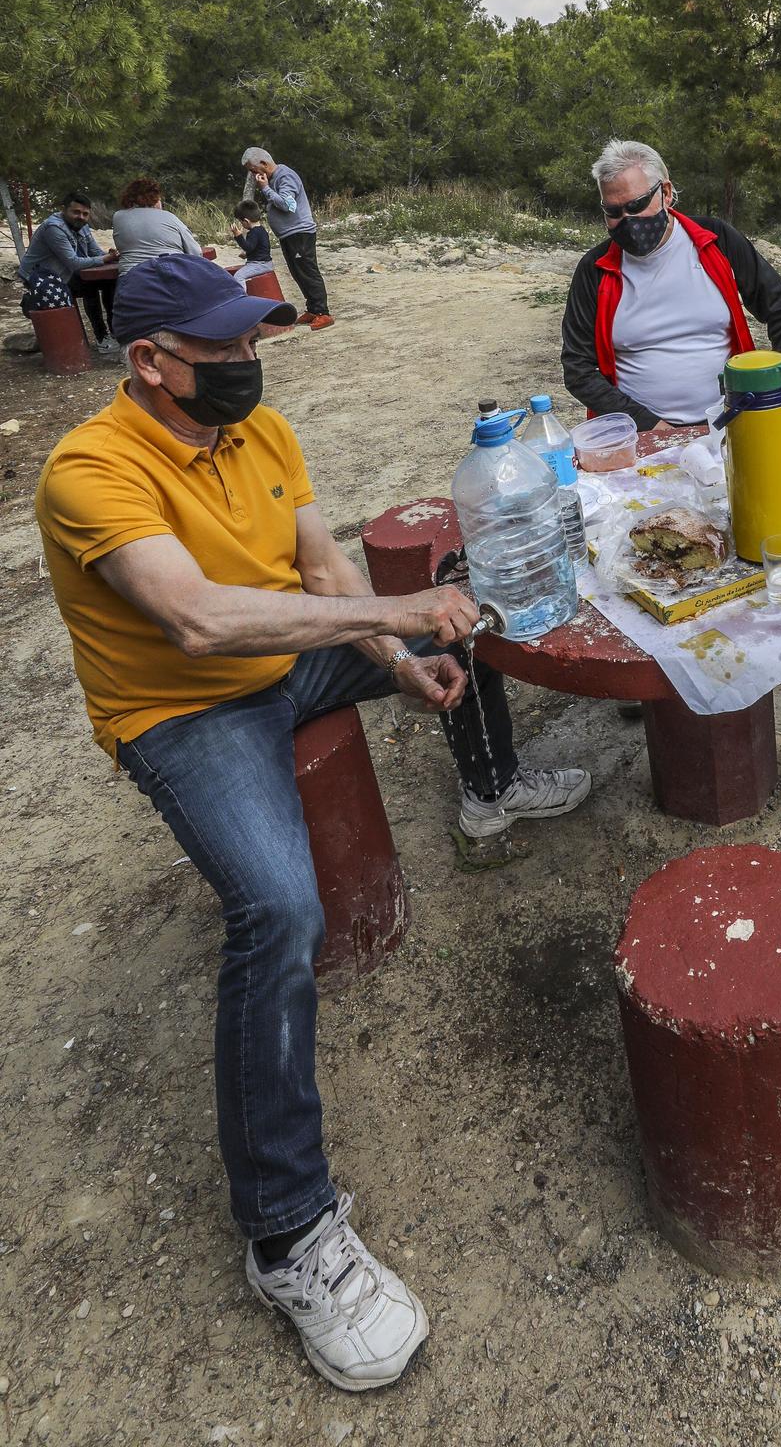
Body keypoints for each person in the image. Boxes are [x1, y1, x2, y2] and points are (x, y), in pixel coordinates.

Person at [35, 254, 589, 1390]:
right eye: (225, 350)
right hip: (186, 709)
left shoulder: (263, 431)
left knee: (454, 629)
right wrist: (388, 610)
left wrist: (395, 653)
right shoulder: (88, 469)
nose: (249, 363)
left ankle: (487, 788)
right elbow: (194, 618)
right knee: (277, 908)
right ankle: (287, 1231)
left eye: (252, 342)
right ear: (149, 362)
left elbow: (318, 561)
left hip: (290, 662)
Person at [561, 139, 781, 430]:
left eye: (636, 205)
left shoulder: (716, 239)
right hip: (643, 433)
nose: (627, 220)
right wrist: (648, 424)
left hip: (734, 421)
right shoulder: (595, 269)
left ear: (665, 192)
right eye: (613, 212)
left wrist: (776, 390)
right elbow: (578, 368)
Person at [240, 147, 333, 329]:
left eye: (253, 170)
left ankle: (323, 312)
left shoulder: (285, 176)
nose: (252, 175)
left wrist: (265, 189)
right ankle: (312, 309)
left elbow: (288, 205)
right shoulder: (274, 178)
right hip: (289, 235)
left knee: (308, 273)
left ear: (264, 164)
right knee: (298, 273)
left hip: (300, 233)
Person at [18, 189, 119, 355]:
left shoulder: (82, 226)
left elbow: (96, 253)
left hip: (63, 273)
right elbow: (74, 263)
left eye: (85, 214)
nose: (81, 217)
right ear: (63, 209)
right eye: (76, 212)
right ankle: (102, 338)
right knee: (89, 287)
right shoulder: (54, 228)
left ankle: (115, 331)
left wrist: (112, 256)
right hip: (41, 278)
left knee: (111, 281)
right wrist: (105, 259)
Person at [112, 175, 203, 270]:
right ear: (155, 199)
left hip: (131, 276)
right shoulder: (169, 217)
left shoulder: (118, 217)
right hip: (171, 273)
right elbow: (195, 252)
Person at [228, 198, 275, 284]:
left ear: (246, 221)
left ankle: (242, 297)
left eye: (241, 222)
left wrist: (238, 236)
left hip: (260, 264)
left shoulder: (253, 232)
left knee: (238, 276)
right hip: (265, 263)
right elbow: (260, 248)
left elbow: (248, 247)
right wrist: (246, 255)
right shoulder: (261, 230)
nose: (241, 224)